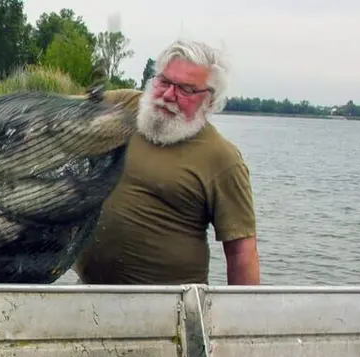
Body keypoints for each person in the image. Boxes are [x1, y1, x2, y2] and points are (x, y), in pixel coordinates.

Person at [73, 39, 261, 286]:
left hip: (170, 308)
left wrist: (241, 320)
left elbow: (241, 254)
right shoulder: (126, 105)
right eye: (164, 81)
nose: (169, 95)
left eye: (186, 89)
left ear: (210, 101)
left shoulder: (222, 159)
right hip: (89, 295)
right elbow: (57, 109)